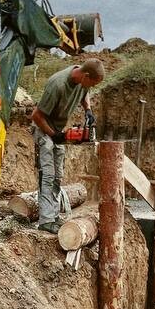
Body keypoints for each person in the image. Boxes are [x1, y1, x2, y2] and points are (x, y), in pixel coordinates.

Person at [29, 57, 105, 232]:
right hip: (43, 128)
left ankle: (53, 216)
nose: (91, 87)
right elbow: (36, 116)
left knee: (57, 176)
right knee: (48, 175)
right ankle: (46, 221)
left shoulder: (82, 81)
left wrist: (88, 111)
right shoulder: (57, 85)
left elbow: (85, 92)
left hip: (57, 129)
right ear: (85, 76)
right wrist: (53, 135)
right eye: (92, 83)